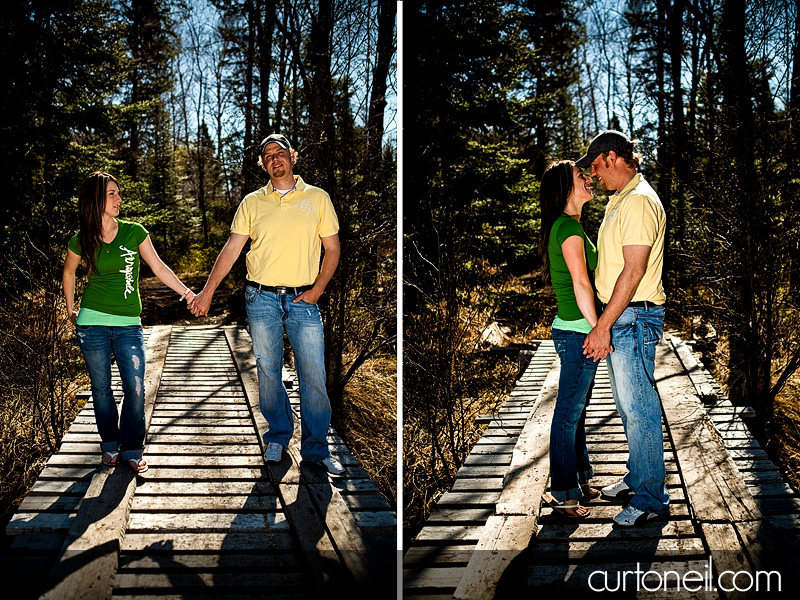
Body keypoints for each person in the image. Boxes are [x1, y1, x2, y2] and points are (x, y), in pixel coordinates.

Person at [188, 133, 345, 475]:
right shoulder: (252, 202)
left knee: (313, 375)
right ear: (262, 164)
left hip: (304, 299)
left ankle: (317, 449)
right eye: (267, 155)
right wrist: (208, 291)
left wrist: (317, 290)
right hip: (260, 298)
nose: (275, 159)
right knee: (268, 371)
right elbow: (231, 250)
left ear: (293, 155)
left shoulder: (317, 199)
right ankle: (277, 435)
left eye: (280, 152)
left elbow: (332, 249)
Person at [63, 171, 196, 474]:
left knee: (135, 386)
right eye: (112, 194)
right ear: (97, 198)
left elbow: (159, 267)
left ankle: (132, 448)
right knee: (101, 388)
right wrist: (71, 309)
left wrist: (187, 293)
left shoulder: (134, 232)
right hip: (92, 323)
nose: (119, 199)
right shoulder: (81, 239)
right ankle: (110, 445)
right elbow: (69, 272)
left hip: (127, 324)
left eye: (119, 193)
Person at [577, 130, 669, 526]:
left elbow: (634, 271)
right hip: (623, 316)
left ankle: (651, 500)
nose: (594, 175)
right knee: (627, 407)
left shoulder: (640, 202)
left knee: (640, 408)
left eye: (595, 166)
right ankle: (638, 478)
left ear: (612, 157)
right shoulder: (621, 200)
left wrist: (603, 325)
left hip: (633, 315)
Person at [539, 160, 604, 518]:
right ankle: (564, 493)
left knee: (575, 413)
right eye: (582, 177)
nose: (590, 179)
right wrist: (600, 328)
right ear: (566, 189)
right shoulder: (569, 230)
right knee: (567, 414)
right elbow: (581, 284)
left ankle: (578, 481)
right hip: (579, 331)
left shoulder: (569, 226)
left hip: (572, 329)